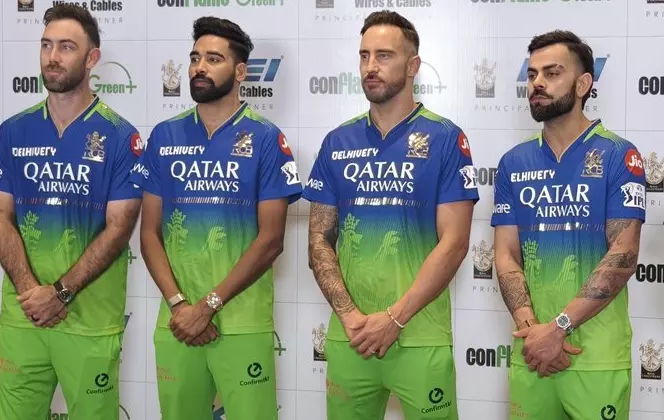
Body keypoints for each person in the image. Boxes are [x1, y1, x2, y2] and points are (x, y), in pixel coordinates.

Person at [303, 10, 478, 420]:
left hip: (419, 335)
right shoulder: (337, 141)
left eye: (384, 56)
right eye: (364, 55)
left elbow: (455, 243)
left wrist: (395, 319)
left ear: (413, 66)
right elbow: (318, 239)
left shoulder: (445, 138)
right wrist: (350, 317)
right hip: (350, 336)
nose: (370, 66)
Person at [129, 16, 302, 420]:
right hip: (177, 322)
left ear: (240, 72)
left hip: (241, 324)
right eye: (194, 58)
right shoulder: (165, 135)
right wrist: (180, 306)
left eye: (213, 59)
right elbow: (149, 233)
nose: (199, 68)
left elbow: (271, 240)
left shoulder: (266, 138)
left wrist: (208, 306)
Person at [0, 4, 142, 420]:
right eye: (46, 45)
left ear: (91, 58)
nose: (52, 57)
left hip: (89, 322)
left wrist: (60, 293)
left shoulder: (120, 136)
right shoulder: (13, 131)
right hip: (24, 317)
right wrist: (32, 294)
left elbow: (119, 227)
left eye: (67, 47)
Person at [491, 30, 644, 420]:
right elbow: (505, 254)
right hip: (532, 353)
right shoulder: (513, 162)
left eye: (552, 73)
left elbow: (624, 255)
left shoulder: (618, 155)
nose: (537, 83)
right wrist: (533, 331)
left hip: (596, 358)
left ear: (583, 83)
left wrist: (558, 328)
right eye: (532, 74)